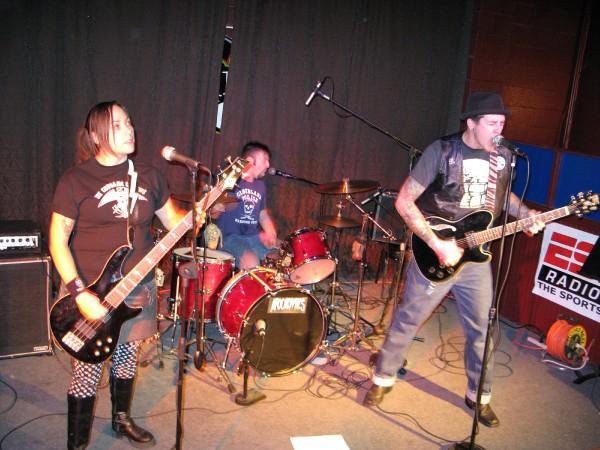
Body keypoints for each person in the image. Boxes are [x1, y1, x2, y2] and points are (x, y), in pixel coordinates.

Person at [363, 92, 545, 428]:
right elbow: (404, 202)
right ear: (471, 123)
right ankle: (383, 377)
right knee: (409, 318)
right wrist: (436, 244)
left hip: (476, 258)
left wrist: (526, 214)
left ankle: (479, 397)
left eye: (502, 123)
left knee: (482, 329)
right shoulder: (443, 150)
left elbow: (505, 198)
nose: (499, 130)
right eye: (492, 123)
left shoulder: (505, 157)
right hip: (437, 249)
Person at [49, 101, 191, 449]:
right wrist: (79, 293)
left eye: (129, 122)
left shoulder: (150, 176)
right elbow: (57, 240)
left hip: (137, 286)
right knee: (87, 369)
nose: (130, 130)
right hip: (89, 289)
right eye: (118, 125)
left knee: (127, 356)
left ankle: (121, 419)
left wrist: (198, 215)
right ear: (97, 136)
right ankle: (77, 443)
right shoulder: (75, 180)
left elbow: (173, 222)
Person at [213, 141, 277, 269]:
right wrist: (216, 208)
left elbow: (262, 214)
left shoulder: (261, 186)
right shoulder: (229, 181)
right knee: (252, 262)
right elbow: (213, 215)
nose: (268, 165)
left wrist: (271, 233)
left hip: (253, 238)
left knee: (280, 259)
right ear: (250, 160)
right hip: (229, 238)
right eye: (265, 159)